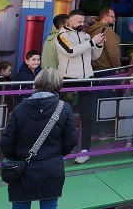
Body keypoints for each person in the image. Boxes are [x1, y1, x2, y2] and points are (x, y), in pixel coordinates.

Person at [0, 68, 78, 209]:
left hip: (22, 168)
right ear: (58, 85)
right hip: (52, 167)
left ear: (37, 83)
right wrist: (56, 154)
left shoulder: (20, 108)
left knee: (20, 205)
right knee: (50, 205)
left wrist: (14, 157)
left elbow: (6, 142)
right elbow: (71, 140)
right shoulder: (64, 108)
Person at [56, 9, 104, 163]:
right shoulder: (61, 36)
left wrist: (99, 44)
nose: (82, 24)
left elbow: (94, 56)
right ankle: (62, 148)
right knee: (63, 115)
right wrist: (92, 42)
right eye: (79, 21)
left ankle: (85, 149)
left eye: (83, 21)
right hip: (68, 79)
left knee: (87, 116)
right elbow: (71, 51)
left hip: (87, 78)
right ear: (69, 21)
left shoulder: (86, 36)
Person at [88, 7, 121, 73]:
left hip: (93, 69)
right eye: (113, 16)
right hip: (107, 71)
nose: (115, 19)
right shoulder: (107, 31)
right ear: (105, 17)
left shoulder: (90, 31)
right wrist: (118, 68)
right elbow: (113, 53)